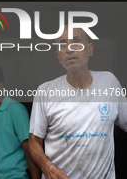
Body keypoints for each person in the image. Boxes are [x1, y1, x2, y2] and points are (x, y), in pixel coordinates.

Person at [29, 27, 127, 179]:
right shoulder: (45, 91)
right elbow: (34, 141)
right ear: (58, 56)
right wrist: (48, 168)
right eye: (62, 44)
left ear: (90, 49)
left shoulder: (109, 82)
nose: (69, 49)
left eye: (76, 42)